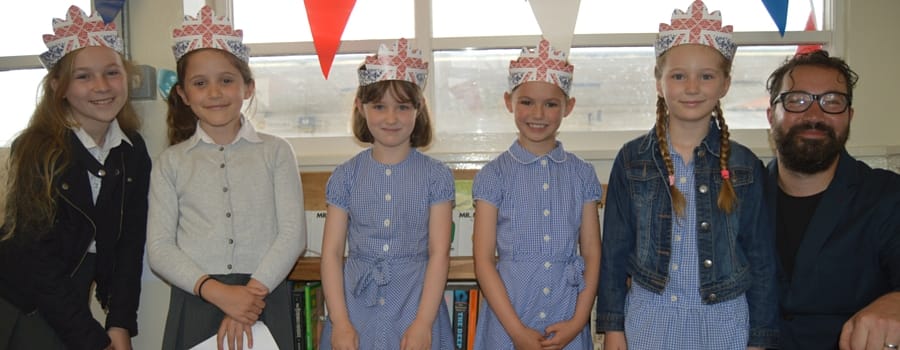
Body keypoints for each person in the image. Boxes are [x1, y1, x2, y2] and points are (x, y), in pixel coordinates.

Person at [596, 1, 779, 349]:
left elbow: (762, 260)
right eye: (679, 75)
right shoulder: (632, 160)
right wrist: (613, 328)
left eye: (706, 76)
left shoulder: (745, 165)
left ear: (725, 84)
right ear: (659, 82)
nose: (692, 87)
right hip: (650, 321)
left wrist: (760, 338)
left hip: (724, 324)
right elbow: (615, 252)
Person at [146, 6, 305, 350]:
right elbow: (159, 248)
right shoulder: (170, 163)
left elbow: (292, 234)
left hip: (264, 293)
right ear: (185, 95)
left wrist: (246, 299)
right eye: (200, 83)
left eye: (226, 80)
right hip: (198, 295)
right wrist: (219, 294)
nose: (215, 92)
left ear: (247, 87)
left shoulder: (276, 152)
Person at [0, 5, 151, 350]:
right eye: (83, 76)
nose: (101, 86)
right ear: (59, 87)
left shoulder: (132, 151)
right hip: (21, 300)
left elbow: (130, 244)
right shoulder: (37, 149)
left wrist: (120, 323)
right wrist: (92, 340)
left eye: (112, 72)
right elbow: (37, 258)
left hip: (68, 297)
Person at [318, 38, 455, 350]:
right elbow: (331, 253)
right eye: (379, 106)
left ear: (418, 109)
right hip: (353, 307)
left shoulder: (436, 176)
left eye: (402, 107)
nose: (391, 118)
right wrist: (339, 322)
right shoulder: (345, 176)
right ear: (360, 107)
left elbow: (438, 254)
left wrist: (423, 323)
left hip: (415, 302)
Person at [472, 38, 603, 350]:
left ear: (568, 107)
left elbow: (592, 252)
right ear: (509, 102)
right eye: (527, 102)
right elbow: (483, 260)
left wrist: (578, 321)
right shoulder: (494, 175)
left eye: (551, 104)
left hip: (565, 316)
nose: (538, 113)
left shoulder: (581, 174)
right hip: (509, 318)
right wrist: (516, 331)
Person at [764, 49, 900, 350]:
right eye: (797, 100)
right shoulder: (738, 197)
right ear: (772, 115)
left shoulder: (887, 196)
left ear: (849, 116)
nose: (814, 116)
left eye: (832, 102)